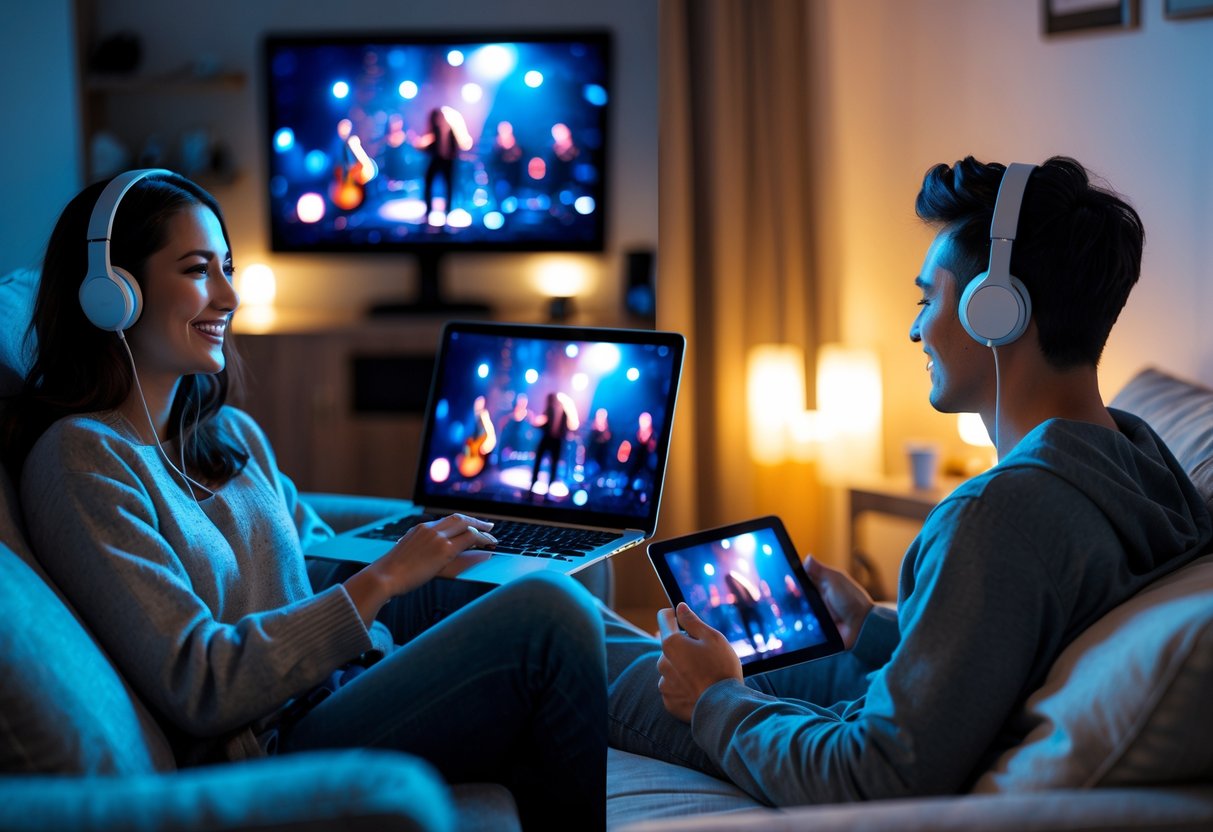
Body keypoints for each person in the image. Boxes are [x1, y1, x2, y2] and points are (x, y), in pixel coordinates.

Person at [0, 170, 606, 831]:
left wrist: (422, 559)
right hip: (273, 742)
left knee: (546, 566)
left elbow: (315, 556)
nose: (228, 295)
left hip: (346, 679)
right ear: (111, 293)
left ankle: (701, 711)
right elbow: (199, 684)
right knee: (550, 616)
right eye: (198, 269)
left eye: (227, 267)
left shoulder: (226, 434)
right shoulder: (82, 459)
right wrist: (385, 578)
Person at [603, 156, 1213, 805]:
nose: (915, 328)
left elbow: (871, 776)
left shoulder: (994, 515)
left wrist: (715, 697)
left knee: (567, 637)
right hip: (907, 714)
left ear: (996, 311)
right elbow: (1004, 650)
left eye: (927, 298)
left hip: (847, 754)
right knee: (618, 630)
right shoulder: (1141, 458)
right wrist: (872, 627)